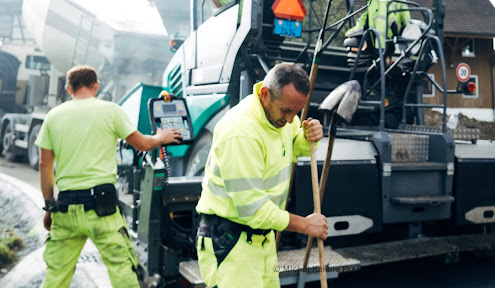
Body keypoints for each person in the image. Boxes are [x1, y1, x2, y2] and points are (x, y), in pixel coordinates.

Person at [37, 65, 183, 287]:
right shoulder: (110, 111)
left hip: (65, 209)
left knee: (56, 276)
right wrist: (161, 136)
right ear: (96, 85)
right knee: (123, 271)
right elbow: (143, 144)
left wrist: (49, 206)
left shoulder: (53, 116)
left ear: (69, 88)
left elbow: (45, 164)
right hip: (102, 210)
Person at [195, 62, 327, 288]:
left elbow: (293, 146)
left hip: (262, 240)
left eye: (296, 112)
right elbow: (253, 210)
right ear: (264, 94)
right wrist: (304, 225)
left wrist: (307, 138)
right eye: (286, 110)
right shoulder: (240, 132)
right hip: (232, 242)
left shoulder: (282, 117)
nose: (290, 119)